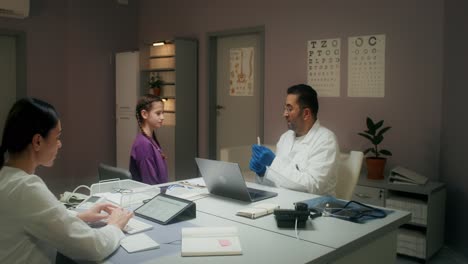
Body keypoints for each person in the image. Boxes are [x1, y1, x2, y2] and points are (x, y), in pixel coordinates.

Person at [0, 97, 133, 264]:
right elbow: (92, 247)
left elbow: (36, 220)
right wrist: (115, 225)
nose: (60, 144)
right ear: (38, 141)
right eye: (57, 137)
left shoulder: (7, 177)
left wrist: (80, 217)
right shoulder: (25, 188)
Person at [249, 84, 340, 195]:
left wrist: (274, 162)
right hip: (284, 202)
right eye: (285, 108)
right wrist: (263, 173)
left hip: (314, 207)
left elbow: (312, 186)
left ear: (306, 113)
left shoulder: (326, 140)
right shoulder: (285, 138)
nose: (284, 114)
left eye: (289, 109)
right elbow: (279, 184)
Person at [129, 94, 168, 184]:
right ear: (144, 114)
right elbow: (150, 183)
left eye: (163, 113)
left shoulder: (150, 139)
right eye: (158, 113)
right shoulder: (143, 144)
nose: (162, 117)